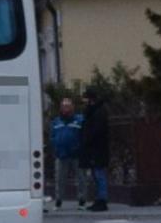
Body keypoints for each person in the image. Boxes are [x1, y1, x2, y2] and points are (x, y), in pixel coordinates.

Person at [77, 82, 113, 210]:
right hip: (93, 149)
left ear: (91, 99)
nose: (84, 101)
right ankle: (99, 199)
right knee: (96, 175)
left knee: (99, 175)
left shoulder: (99, 112)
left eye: (86, 98)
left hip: (98, 149)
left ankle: (102, 200)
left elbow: (96, 131)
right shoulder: (92, 111)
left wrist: (88, 139)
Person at [47, 98, 81, 208]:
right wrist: (55, 147)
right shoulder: (56, 121)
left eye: (68, 106)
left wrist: (79, 147)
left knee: (81, 178)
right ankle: (58, 200)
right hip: (61, 154)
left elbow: (83, 135)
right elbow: (52, 136)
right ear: (61, 108)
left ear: (72, 107)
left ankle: (82, 200)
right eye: (64, 106)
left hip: (76, 154)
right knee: (59, 179)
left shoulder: (79, 120)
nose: (66, 108)